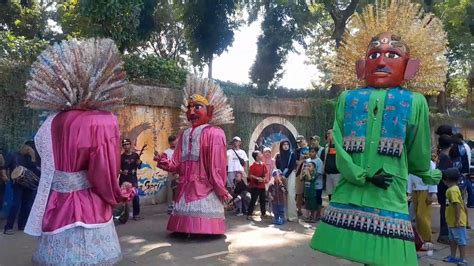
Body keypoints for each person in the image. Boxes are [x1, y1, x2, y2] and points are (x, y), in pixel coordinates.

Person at [310, 2, 445, 264]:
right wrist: (363, 175)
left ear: (409, 66)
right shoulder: (347, 99)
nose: (381, 60)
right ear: (362, 66)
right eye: (374, 55)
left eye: (392, 55)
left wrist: (426, 172)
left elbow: (417, 152)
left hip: (386, 192)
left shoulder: (415, 102)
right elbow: (338, 142)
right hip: (365, 189)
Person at [23, 38, 129, 264]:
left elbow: (44, 153)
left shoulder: (53, 120)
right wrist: (117, 196)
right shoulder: (102, 121)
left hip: (58, 202)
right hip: (88, 203)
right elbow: (103, 172)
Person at [154, 76, 233, 235]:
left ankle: (203, 229)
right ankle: (185, 228)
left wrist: (220, 188)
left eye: (197, 107)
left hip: (206, 189)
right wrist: (164, 162)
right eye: (189, 108)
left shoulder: (214, 133)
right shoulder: (184, 134)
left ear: (209, 111)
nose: (191, 112)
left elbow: (216, 165)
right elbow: (177, 163)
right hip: (185, 188)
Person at [3, 141, 40, 235]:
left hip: (28, 186)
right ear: (23, 146)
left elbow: (36, 171)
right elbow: (4, 166)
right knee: (15, 205)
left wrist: (33, 157)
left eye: (30, 150)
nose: (27, 151)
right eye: (27, 149)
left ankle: (22, 226)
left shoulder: (31, 158)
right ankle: (8, 227)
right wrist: (5, 176)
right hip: (17, 185)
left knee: (26, 206)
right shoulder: (14, 155)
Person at [442, 168, 469, 265]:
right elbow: (462, 205)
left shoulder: (452, 191)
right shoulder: (454, 189)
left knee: (461, 240)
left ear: (446, 180)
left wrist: (458, 220)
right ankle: (453, 256)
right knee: (452, 240)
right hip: (452, 221)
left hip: (456, 222)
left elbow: (457, 205)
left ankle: (463, 259)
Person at [407, 160, 437, 243]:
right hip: (415, 190)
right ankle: (420, 238)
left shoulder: (429, 163)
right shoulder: (413, 160)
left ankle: (427, 238)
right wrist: (409, 191)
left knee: (422, 215)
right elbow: (410, 175)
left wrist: (432, 193)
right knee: (417, 216)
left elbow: (433, 177)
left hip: (425, 190)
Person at [120, 138, 143, 221]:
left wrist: (139, 163)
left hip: (133, 179)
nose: (126, 146)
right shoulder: (121, 157)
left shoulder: (135, 155)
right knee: (123, 198)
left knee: (135, 196)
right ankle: (122, 215)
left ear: (130, 145)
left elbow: (139, 167)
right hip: (123, 180)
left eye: (127, 144)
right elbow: (117, 169)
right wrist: (121, 172)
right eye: (124, 145)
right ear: (122, 146)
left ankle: (136, 214)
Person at [437, 133, 454, 244]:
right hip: (445, 189)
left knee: (444, 210)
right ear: (451, 145)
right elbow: (443, 173)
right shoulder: (445, 158)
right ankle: (444, 234)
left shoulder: (441, 156)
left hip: (441, 188)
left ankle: (444, 234)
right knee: (445, 211)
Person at [275, 139, 297, 221]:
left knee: (290, 194)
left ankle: (292, 216)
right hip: (281, 176)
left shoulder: (292, 154)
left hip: (290, 175)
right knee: (282, 195)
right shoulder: (278, 156)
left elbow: (292, 166)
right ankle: (282, 215)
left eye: (287, 144)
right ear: (281, 146)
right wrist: (280, 175)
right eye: (284, 144)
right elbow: (277, 166)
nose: (286, 146)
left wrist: (286, 175)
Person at [247, 150, 268, 220]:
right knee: (253, 199)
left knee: (263, 199)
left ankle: (263, 213)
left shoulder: (263, 164)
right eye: (260, 154)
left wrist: (264, 178)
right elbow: (250, 175)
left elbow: (265, 174)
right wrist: (257, 178)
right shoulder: (252, 166)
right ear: (256, 157)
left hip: (262, 185)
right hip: (255, 185)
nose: (261, 155)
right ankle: (249, 214)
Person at [321, 129, 340, 201]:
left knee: (337, 193)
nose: (327, 135)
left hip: (337, 174)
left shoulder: (339, 146)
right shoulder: (326, 147)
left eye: (329, 133)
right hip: (328, 174)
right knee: (329, 192)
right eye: (327, 133)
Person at [306, 147, 324, 221]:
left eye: (313, 152)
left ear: (316, 152)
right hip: (309, 186)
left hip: (317, 185)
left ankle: (318, 215)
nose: (311, 153)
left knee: (317, 200)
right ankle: (311, 215)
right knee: (311, 200)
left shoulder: (319, 161)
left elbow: (319, 172)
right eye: (310, 152)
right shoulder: (307, 161)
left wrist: (312, 178)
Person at [295, 135, 309, 217]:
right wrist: (301, 160)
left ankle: (309, 212)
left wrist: (303, 160)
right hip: (299, 174)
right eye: (298, 142)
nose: (300, 143)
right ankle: (299, 210)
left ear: (304, 140)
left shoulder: (311, 149)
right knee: (299, 193)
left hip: (310, 174)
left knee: (309, 193)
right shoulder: (296, 151)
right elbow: (295, 161)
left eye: (301, 141)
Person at [164, 135, 178, 214]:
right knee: (174, 190)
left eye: (174, 140)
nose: (173, 143)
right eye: (171, 141)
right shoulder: (166, 152)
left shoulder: (181, 150)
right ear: (169, 142)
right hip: (172, 174)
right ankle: (172, 206)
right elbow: (164, 163)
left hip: (181, 173)